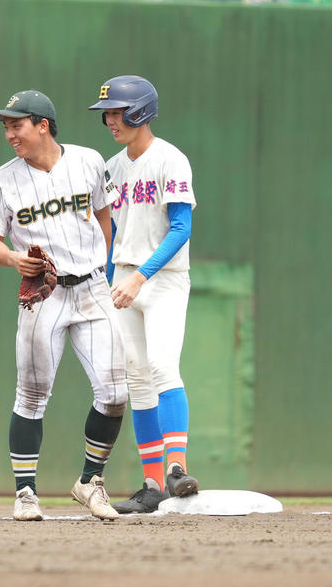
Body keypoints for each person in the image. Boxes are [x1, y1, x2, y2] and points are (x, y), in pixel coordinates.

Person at [0, 90, 128, 522]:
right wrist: (13, 258)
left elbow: (103, 217)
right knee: (33, 395)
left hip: (93, 287)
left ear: (43, 124)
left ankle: (90, 482)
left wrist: (105, 269)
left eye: (16, 124)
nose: (9, 134)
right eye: (5, 126)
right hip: (44, 294)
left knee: (115, 392)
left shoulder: (89, 161)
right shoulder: (4, 179)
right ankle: (25, 492)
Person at [86, 76, 199, 514]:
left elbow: (182, 228)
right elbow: (111, 234)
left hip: (164, 278)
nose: (110, 119)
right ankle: (152, 485)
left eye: (117, 111)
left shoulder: (171, 159)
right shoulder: (112, 167)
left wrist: (141, 277)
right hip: (124, 277)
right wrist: (112, 277)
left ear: (141, 112)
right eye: (107, 113)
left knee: (162, 367)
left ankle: (176, 469)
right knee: (135, 378)